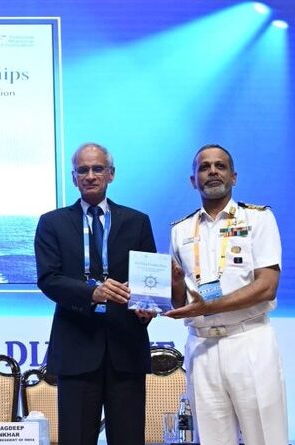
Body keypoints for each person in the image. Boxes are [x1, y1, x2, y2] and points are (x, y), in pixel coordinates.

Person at [34, 142, 157, 445]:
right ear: (73, 178)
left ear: (111, 174)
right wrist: (93, 292)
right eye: (83, 170)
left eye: (97, 169)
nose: (90, 175)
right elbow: (49, 279)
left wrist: (148, 308)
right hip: (76, 347)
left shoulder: (137, 221)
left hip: (126, 346)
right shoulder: (52, 222)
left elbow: (149, 281)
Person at [167, 144, 287, 445]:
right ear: (193, 180)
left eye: (220, 166)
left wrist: (208, 307)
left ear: (233, 177)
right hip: (201, 346)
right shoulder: (180, 230)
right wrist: (175, 285)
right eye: (204, 167)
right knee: (211, 439)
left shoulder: (258, 219)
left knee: (265, 437)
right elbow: (179, 302)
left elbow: (267, 286)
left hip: (248, 340)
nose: (212, 172)